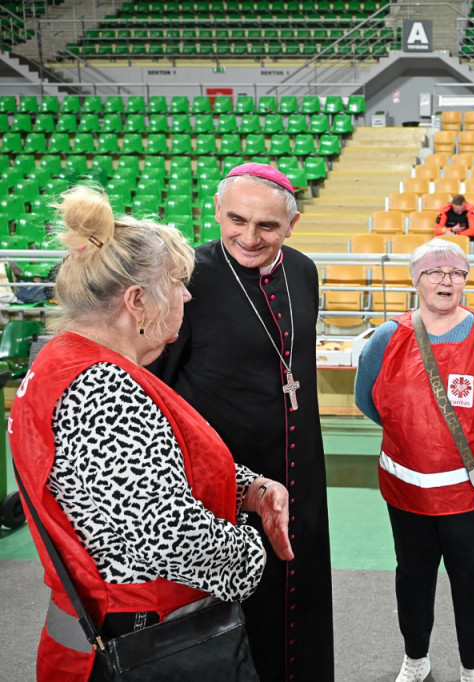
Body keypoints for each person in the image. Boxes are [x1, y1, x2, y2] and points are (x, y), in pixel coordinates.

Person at [10, 185, 293, 681]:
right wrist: (250, 556)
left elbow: (147, 472)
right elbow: (170, 534)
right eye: (178, 282)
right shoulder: (103, 387)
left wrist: (247, 488)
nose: (187, 294)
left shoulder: (68, 360)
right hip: (144, 642)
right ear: (137, 301)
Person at [149, 163, 334, 681]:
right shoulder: (187, 278)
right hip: (222, 481)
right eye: (237, 220)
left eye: (267, 227)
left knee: (301, 597)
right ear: (216, 212)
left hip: (300, 472)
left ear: (291, 226)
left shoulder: (302, 270)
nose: (249, 237)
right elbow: (157, 383)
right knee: (230, 618)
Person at [354, 238, 474, 682]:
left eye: (456, 273)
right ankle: (416, 659)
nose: (446, 281)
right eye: (434, 272)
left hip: (470, 493)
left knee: (473, 580)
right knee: (413, 578)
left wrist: (459, 440)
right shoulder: (387, 338)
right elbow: (368, 400)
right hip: (407, 490)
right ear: (417, 280)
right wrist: (412, 435)